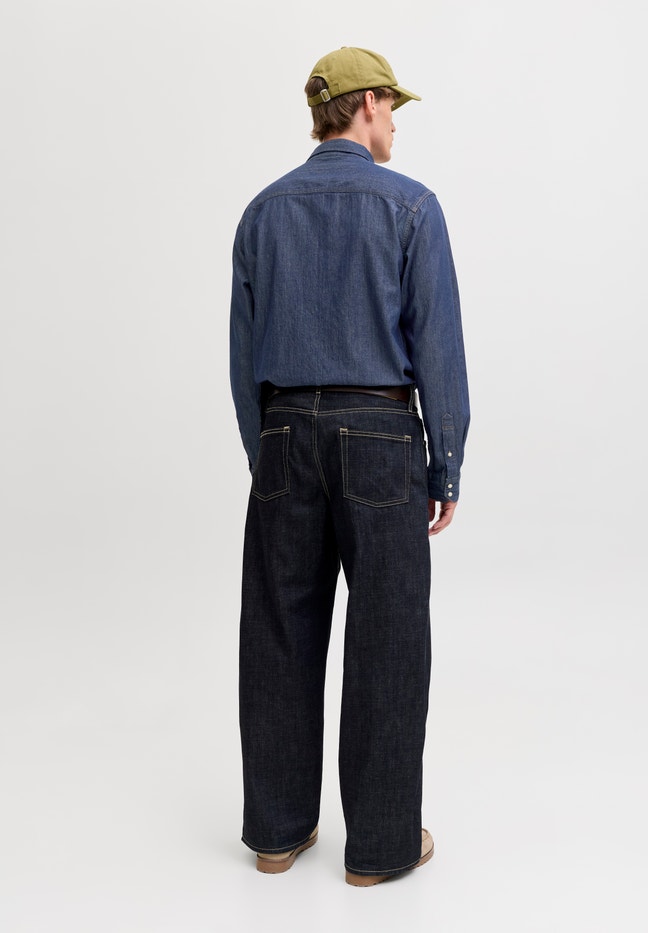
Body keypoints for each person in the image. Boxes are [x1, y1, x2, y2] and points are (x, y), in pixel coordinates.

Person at [229, 46, 470, 886]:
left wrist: (266, 451)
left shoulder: (262, 212)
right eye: (391, 105)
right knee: (388, 636)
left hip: (284, 434)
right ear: (366, 103)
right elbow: (438, 347)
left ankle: (276, 833)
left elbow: (243, 358)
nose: (395, 122)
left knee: (278, 629)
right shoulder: (411, 206)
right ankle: (378, 847)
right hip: (381, 438)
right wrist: (445, 462)